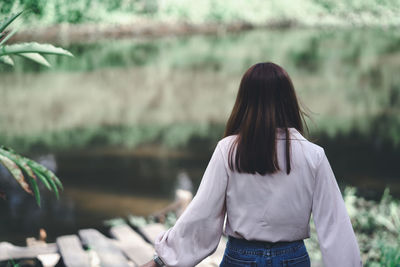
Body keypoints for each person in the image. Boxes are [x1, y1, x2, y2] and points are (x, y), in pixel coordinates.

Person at [140, 62, 362, 267]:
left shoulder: (228, 150)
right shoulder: (313, 155)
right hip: (292, 258)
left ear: (245, 100)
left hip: (241, 258)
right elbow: (335, 225)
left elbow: (203, 214)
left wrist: (162, 260)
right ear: (288, 99)